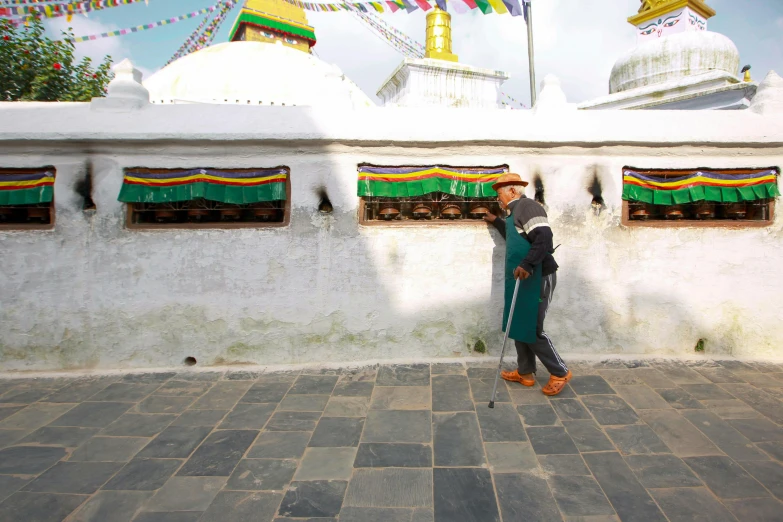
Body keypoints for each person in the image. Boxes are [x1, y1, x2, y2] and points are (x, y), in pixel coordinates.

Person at [484, 173, 572, 396]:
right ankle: (525, 372)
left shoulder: (528, 206)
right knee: (517, 322)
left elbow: (543, 236)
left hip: (538, 275)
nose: (498, 200)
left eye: (499, 195)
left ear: (512, 191)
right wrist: (495, 221)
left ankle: (559, 371)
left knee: (531, 327)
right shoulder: (515, 213)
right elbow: (517, 237)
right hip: (523, 276)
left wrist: (527, 264)